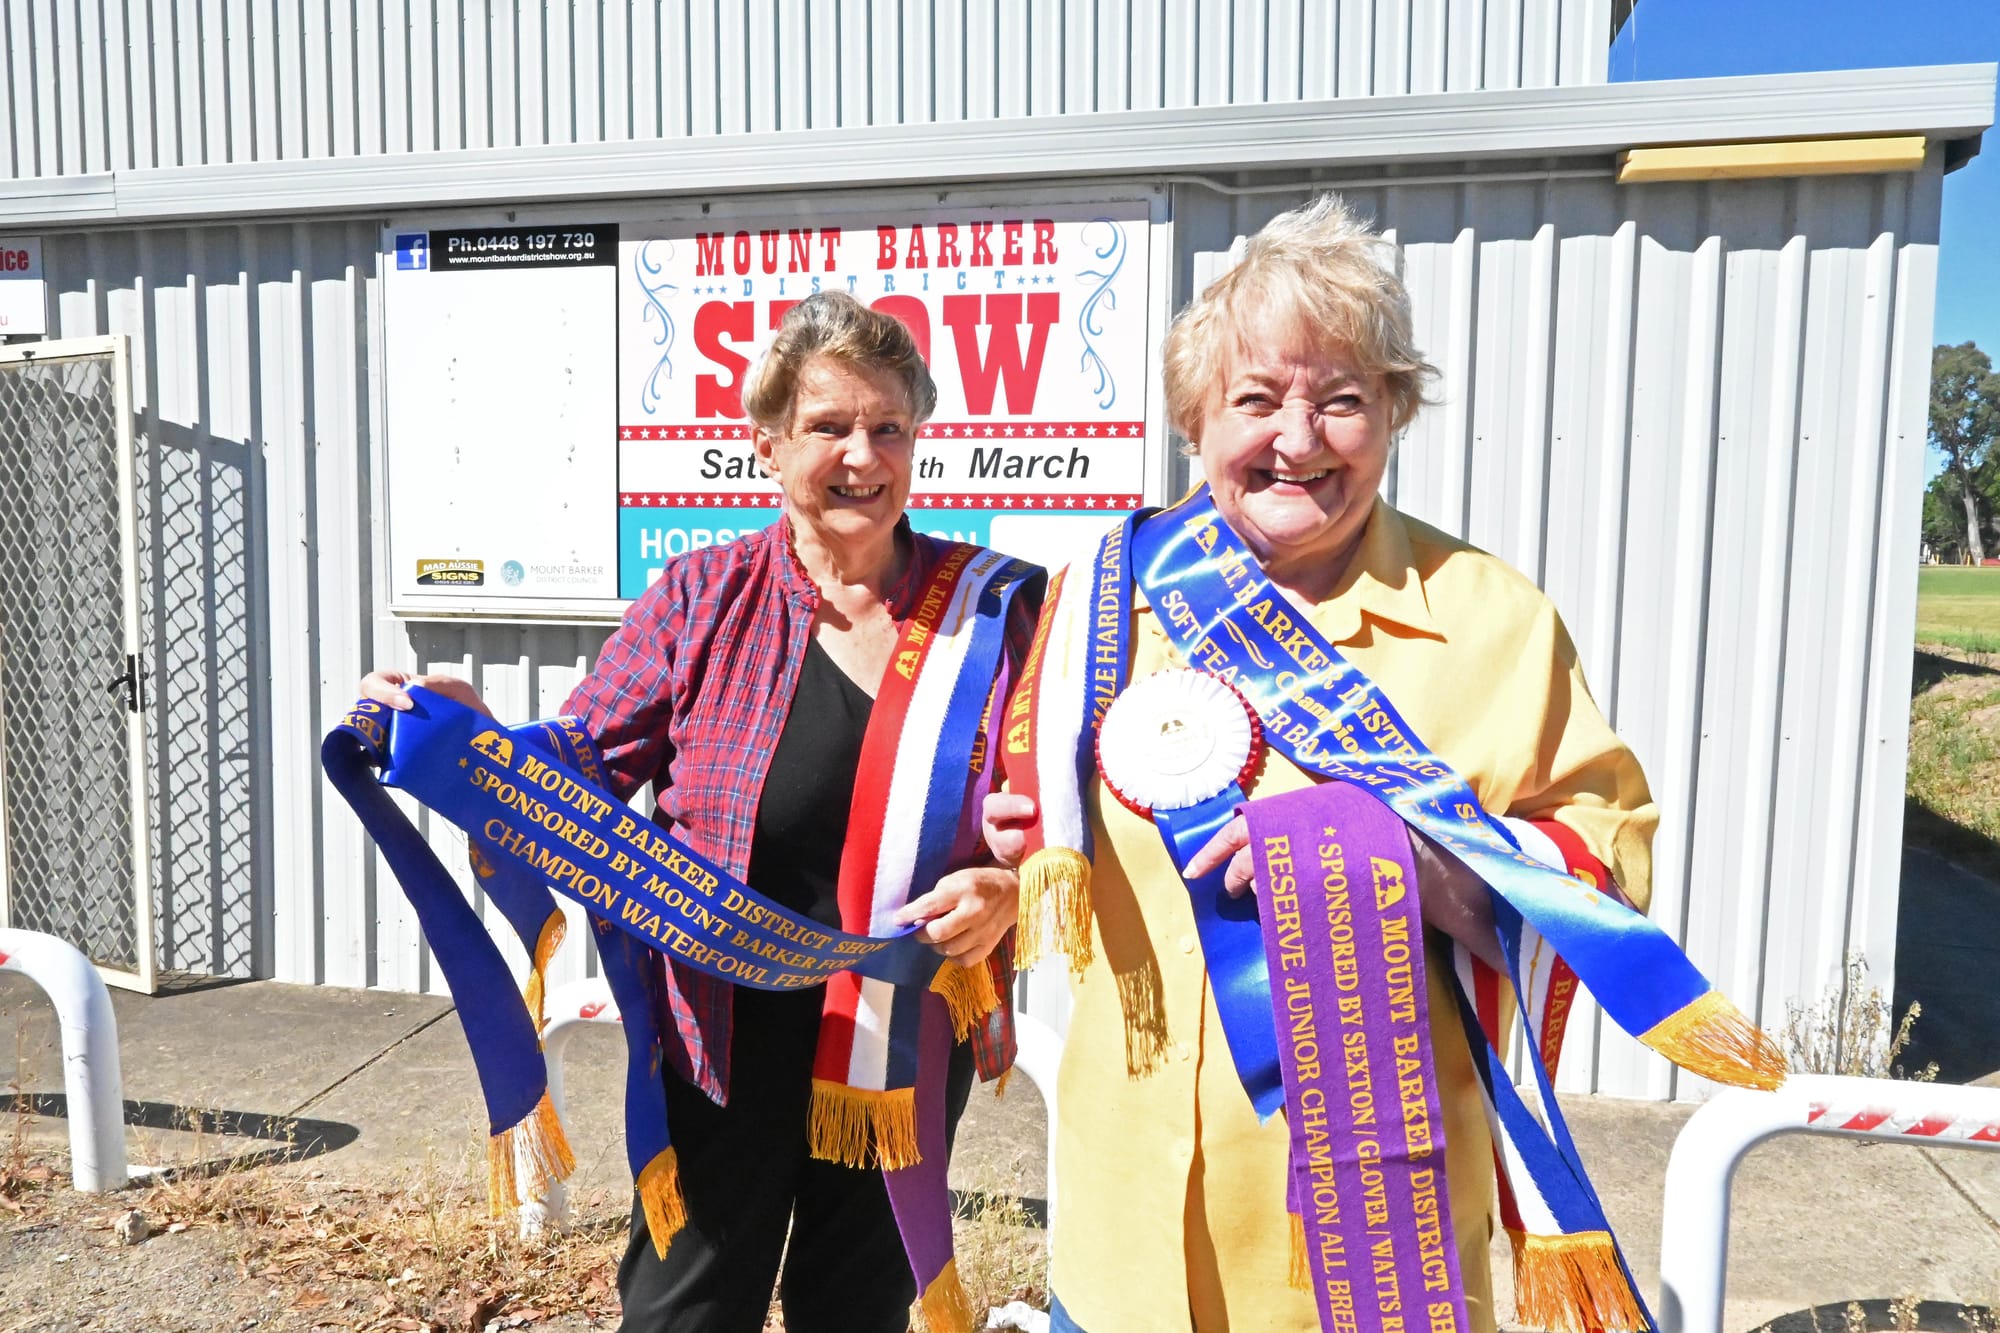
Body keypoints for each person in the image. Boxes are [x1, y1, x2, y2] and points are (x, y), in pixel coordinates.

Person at [984, 195, 1659, 1333]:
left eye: (1339, 400)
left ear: (1392, 411)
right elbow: (1035, 843)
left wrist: (1412, 863)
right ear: (1193, 420)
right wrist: (1003, 873)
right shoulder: (1098, 601)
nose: (1294, 439)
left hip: (1366, 1259)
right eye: (1254, 399)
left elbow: (1605, 879)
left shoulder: (1493, 621)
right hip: (1120, 1240)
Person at [360, 292, 1030, 1333]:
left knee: (857, 1310)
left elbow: (1064, 814)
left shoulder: (997, 611)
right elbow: (581, 757)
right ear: (768, 445)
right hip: (718, 1028)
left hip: (897, 1027)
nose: (863, 454)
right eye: (829, 427)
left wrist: (1012, 884)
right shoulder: (701, 595)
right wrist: (475, 738)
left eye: (888, 427)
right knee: (684, 1309)